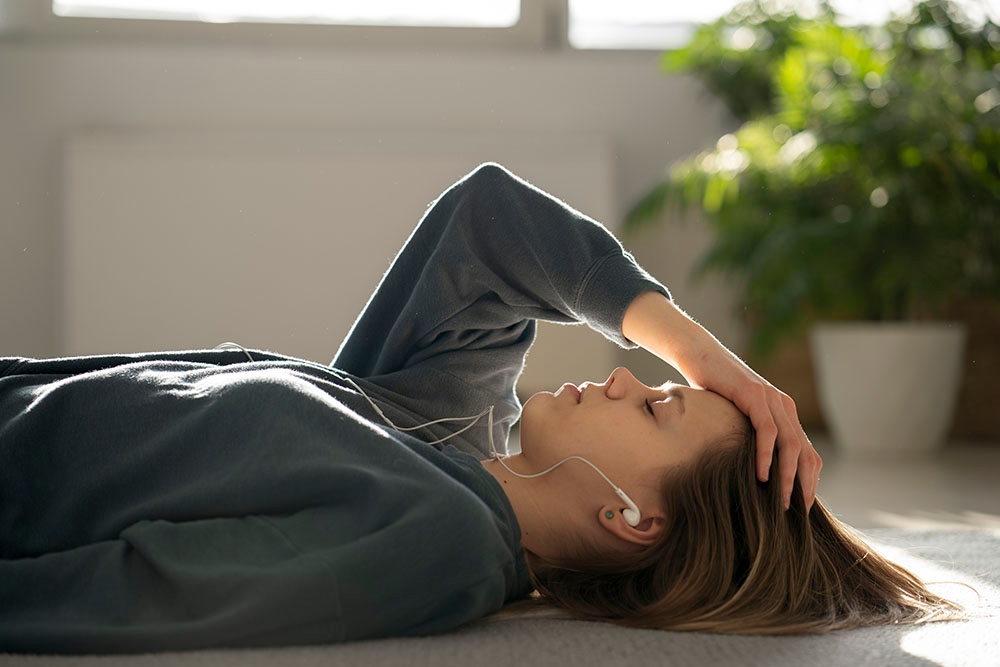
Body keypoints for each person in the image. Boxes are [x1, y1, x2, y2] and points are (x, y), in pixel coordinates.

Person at [0, 163, 958, 653]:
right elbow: (486, 216)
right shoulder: (447, 428)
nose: (624, 379)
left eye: (661, 409)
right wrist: (712, 361)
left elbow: (154, 591)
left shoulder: (445, 539)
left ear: (633, 519)